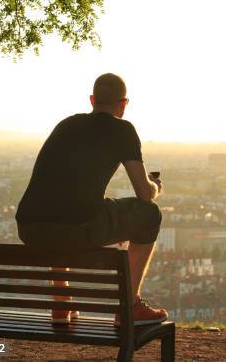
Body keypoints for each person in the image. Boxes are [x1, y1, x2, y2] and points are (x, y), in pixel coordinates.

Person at [15, 73, 167, 326]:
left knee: (61, 210)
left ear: (92, 100)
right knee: (151, 215)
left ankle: (61, 303)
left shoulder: (66, 125)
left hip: (30, 227)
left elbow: (62, 190)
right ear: (124, 104)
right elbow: (144, 194)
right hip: (76, 228)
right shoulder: (123, 130)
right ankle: (129, 307)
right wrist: (155, 186)